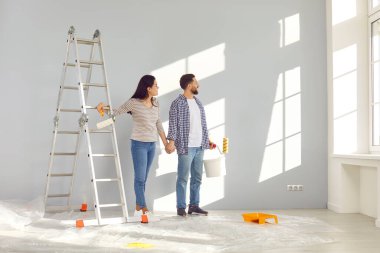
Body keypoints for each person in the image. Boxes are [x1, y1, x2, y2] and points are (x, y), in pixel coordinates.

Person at [98, 75, 174, 215]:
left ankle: (139, 207)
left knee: (143, 178)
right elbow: (116, 112)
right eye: (156, 85)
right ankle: (143, 208)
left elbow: (158, 124)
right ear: (148, 88)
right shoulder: (134, 102)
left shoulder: (156, 103)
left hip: (152, 145)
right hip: (139, 144)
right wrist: (103, 108)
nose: (158, 87)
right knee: (139, 178)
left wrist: (166, 143)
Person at [166, 73, 213, 216]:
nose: (198, 85)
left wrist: (208, 140)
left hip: (200, 145)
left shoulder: (198, 102)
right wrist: (171, 142)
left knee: (197, 177)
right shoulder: (177, 103)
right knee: (183, 178)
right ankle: (181, 207)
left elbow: (202, 124)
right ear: (189, 85)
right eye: (195, 82)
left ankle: (194, 205)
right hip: (186, 146)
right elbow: (173, 124)